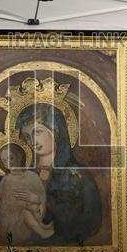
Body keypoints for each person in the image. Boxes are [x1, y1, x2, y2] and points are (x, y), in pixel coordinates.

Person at [14, 103, 101, 244]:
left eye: (37, 132)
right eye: (27, 136)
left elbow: (91, 220)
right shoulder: (26, 174)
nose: (32, 142)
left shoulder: (77, 174)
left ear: (56, 130)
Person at [0, 143, 54, 243]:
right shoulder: (7, 179)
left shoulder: (32, 176)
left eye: (10, 158)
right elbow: (0, 193)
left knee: (31, 208)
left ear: (19, 157)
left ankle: (41, 226)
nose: (8, 163)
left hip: (27, 220)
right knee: (25, 212)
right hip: (10, 221)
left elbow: (41, 194)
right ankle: (41, 231)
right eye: (4, 161)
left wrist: (37, 200)